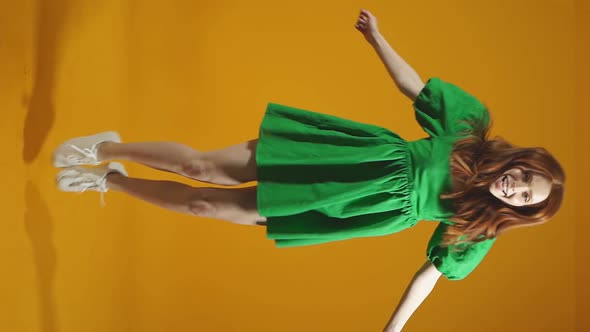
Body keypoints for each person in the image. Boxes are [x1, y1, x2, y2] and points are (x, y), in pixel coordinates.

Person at [52, 9, 565, 332]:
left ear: (517, 212)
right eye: (523, 177)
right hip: (349, 157)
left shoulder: (477, 229)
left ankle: (110, 180)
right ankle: (102, 151)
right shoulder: (469, 129)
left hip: (350, 209)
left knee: (203, 204)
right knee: (200, 167)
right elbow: (415, 89)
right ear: (519, 161)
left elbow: (427, 277)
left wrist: (394, 329)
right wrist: (377, 40)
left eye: (523, 198)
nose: (514, 188)